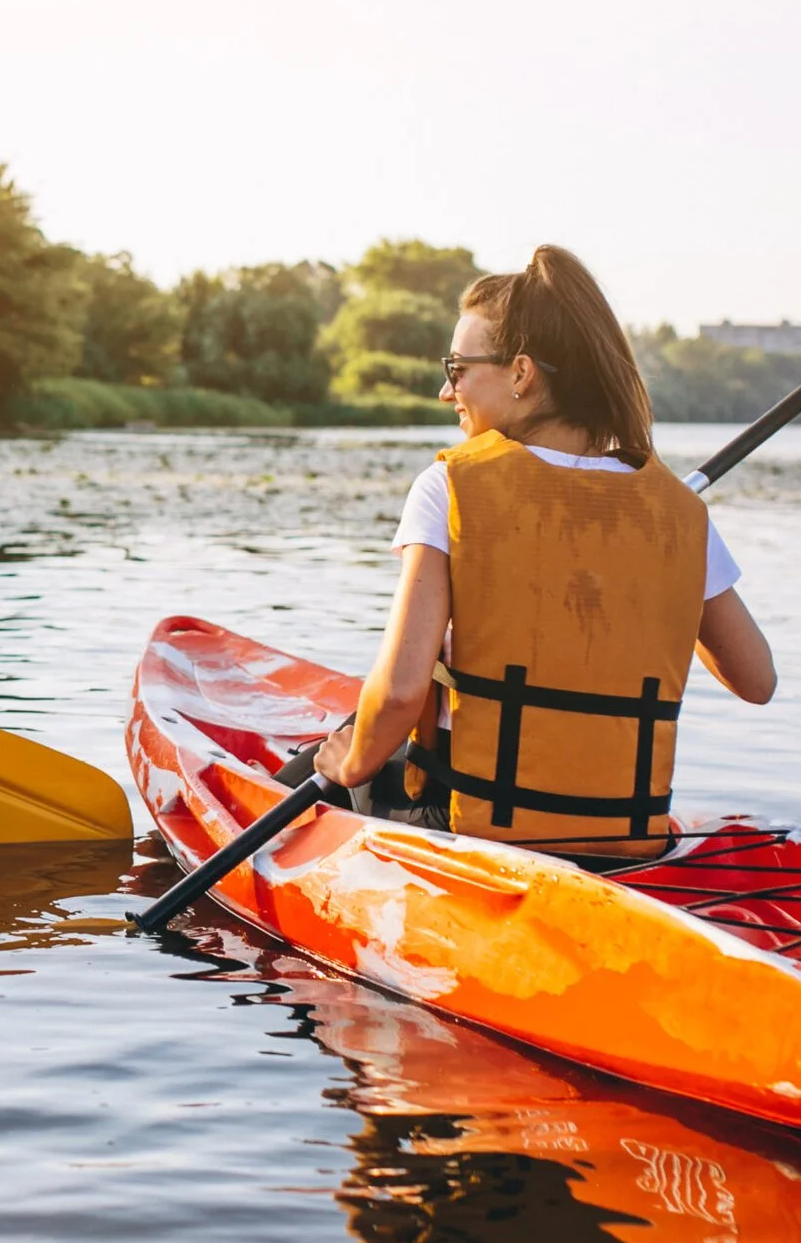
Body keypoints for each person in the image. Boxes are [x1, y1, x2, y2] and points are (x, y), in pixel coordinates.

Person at [299, 246, 776, 861]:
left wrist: (353, 763)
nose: (449, 392)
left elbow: (396, 695)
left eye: (458, 367)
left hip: (472, 828)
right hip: (624, 839)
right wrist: (668, 560)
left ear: (521, 374)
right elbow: (756, 679)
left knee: (325, 758)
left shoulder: (450, 486)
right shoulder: (676, 511)